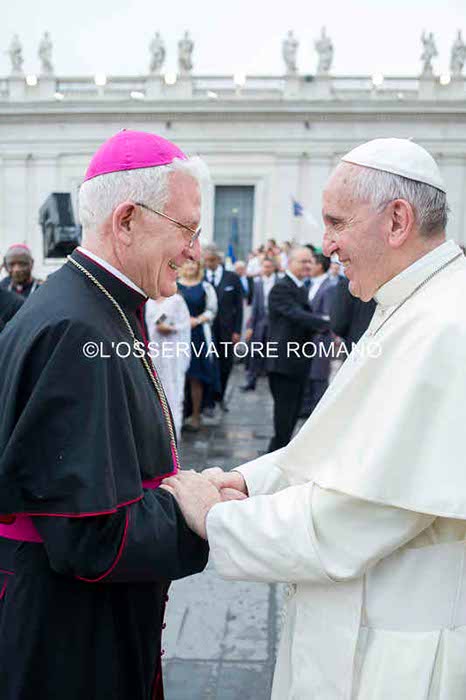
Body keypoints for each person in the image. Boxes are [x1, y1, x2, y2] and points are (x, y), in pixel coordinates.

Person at [163, 138, 466, 699]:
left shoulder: (448, 324)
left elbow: (357, 518)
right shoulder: (409, 303)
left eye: (336, 223)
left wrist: (218, 518)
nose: (326, 246)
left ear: (397, 221)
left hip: (400, 654)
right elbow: (339, 444)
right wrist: (248, 481)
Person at [0, 130, 216, 700]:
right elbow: (90, 536)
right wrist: (191, 510)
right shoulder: (76, 328)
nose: (195, 252)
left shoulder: (96, 305)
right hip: (68, 638)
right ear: (127, 221)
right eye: (188, 229)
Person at [266, 247, 330, 451]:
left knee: (292, 416)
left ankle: (277, 457)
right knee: (284, 419)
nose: (308, 265)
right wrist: (326, 322)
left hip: (297, 362)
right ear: (289, 263)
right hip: (283, 363)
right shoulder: (281, 287)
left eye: (310, 261)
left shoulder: (300, 287)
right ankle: (273, 458)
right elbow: (295, 314)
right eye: (303, 261)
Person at [178, 259, 218, 431]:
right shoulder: (173, 285)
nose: (190, 266)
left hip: (197, 335)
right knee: (178, 377)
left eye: (194, 264)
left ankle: (195, 416)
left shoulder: (206, 287)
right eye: (187, 263)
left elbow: (212, 310)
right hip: (176, 335)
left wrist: (198, 320)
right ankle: (177, 415)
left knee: (196, 377)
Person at [145, 292, 191, 439]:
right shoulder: (148, 300)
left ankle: (173, 435)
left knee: (172, 394)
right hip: (153, 352)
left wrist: (171, 328)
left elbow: (185, 324)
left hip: (172, 355)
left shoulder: (176, 301)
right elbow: (152, 322)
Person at [203, 244, 243, 411]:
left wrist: (237, 331)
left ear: (218, 260)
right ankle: (208, 399)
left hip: (227, 330)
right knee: (208, 362)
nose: (209, 264)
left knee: (226, 364)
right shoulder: (201, 276)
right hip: (206, 329)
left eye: (212, 260)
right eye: (206, 261)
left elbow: (239, 307)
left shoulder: (232, 278)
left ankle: (221, 397)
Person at [300, 252, 335, 417]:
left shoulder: (329, 286)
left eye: (311, 263)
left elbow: (328, 318)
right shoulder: (308, 284)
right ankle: (306, 410)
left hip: (321, 338)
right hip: (309, 338)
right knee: (309, 376)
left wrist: (307, 320)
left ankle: (318, 415)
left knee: (319, 378)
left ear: (320, 266)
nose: (308, 267)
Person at [241, 257, 278, 391]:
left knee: (274, 353)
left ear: (273, 268)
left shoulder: (279, 282)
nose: (266, 269)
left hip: (275, 323)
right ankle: (251, 381)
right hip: (260, 323)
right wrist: (250, 326)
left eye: (269, 266)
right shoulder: (258, 283)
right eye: (264, 266)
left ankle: (273, 384)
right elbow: (255, 306)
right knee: (255, 353)